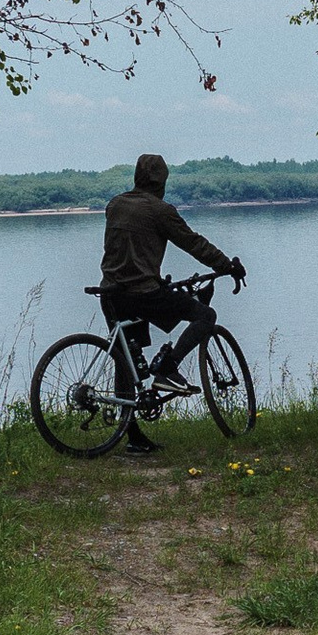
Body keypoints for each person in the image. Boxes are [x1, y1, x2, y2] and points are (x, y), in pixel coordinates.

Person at [97, 154, 245, 452]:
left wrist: (151, 276)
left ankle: (133, 438)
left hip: (111, 293)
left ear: (137, 177)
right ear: (162, 182)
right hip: (142, 295)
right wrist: (227, 265)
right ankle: (168, 368)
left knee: (126, 362)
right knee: (205, 315)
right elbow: (193, 243)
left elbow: (130, 249)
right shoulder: (160, 211)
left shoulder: (115, 204)